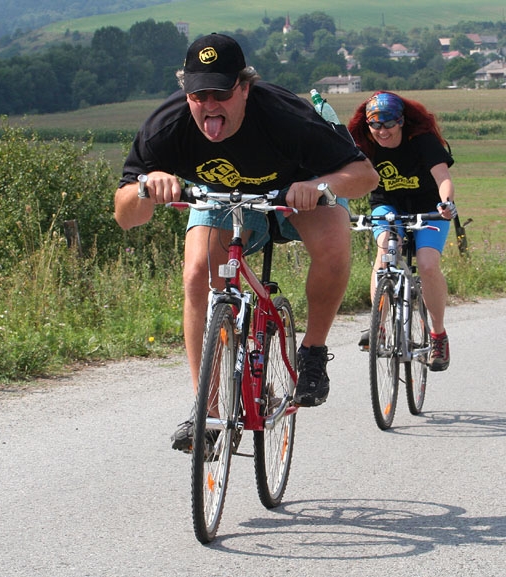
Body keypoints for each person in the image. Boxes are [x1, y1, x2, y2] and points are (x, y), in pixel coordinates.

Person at [114, 33, 379, 451]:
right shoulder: (167, 127)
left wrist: (319, 185)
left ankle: (311, 353)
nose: (209, 105)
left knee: (333, 248)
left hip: (296, 192)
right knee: (198, 274)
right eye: (198, 95)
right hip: (220, 195)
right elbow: (126, 216)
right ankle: (209, 412)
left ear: (244, 88)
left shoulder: (286, 116)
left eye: (221, 93)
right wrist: (145, 186)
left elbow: (365, 175)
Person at [346, 91, 457, 372]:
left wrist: (446, 203)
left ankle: (438, 335)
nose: (382, 132)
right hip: (388, 205)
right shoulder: (365, 145)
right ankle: (378, 327)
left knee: (428, 263)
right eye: (375, 125)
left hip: (429, 207)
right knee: (385, 250)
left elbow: (443, 177)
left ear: (401, 122)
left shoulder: (421, 140)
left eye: (388, 125)